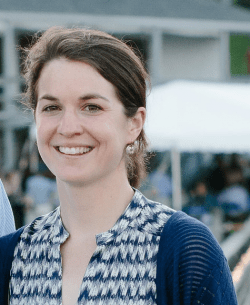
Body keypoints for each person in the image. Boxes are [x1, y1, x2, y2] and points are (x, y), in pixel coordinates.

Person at [0, 27, 237, 305]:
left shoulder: (183, 249)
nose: (68, 127)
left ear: (134, 124)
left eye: (91, 107)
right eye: (51, 107)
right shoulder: (12, 255)